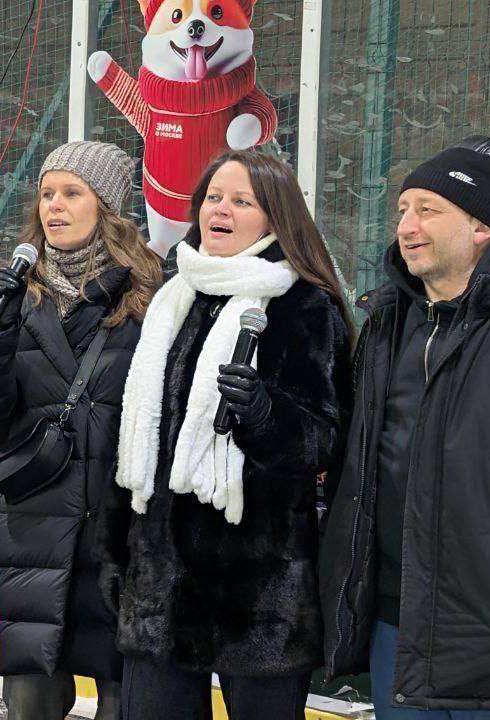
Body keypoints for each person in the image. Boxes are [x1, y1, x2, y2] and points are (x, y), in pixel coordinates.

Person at [112, 150, 352, 719]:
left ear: (276, 217)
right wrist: (116, 561)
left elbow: (324, 440)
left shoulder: (304, 305)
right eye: (214, 198)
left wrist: (266, 416)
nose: (221, 210)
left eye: (242, 201)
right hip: (160, 587)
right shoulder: (174, 296)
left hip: (258, 591)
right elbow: (138, 437)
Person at [320, 139, 490, 717]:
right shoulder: (389, 320)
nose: (406, 226)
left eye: (427, 209)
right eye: (402, 210)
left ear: (481, 226)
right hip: (397, 620)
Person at [0, 141, 162, 720]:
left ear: (107, 206)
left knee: (124, 697)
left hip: (118, 528)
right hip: (34, 525)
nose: (54, 205)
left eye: (72, 193)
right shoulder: (15, 296)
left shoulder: (148, 296)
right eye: (47, 193)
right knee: (30, 699)